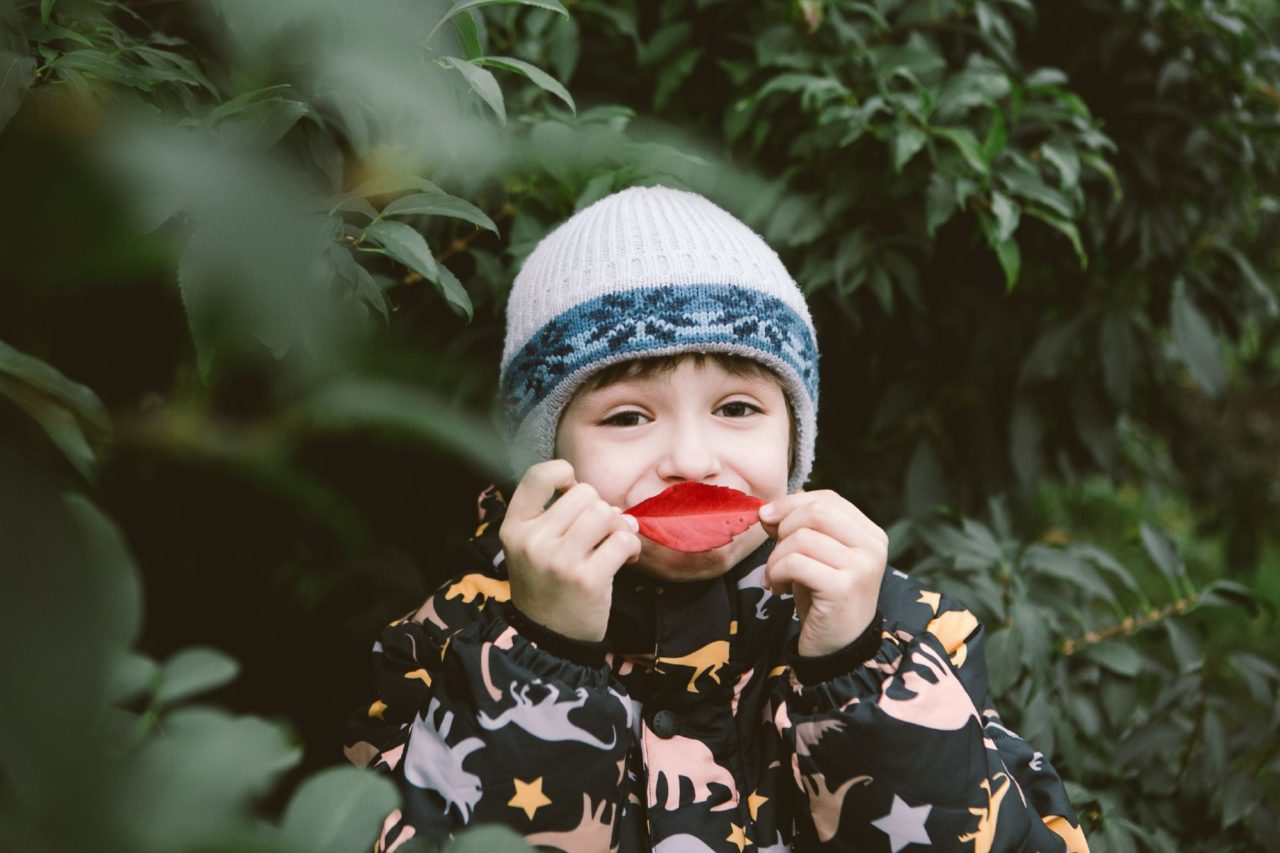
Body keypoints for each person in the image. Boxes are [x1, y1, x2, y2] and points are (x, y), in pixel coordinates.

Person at [344, 186, 1089, 851]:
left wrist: (854, 673)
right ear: (547, 457)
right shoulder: (445, 643)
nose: (693, 461)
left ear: (794, 441)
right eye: (628, 416)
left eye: (736, 408)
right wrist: (543, 656)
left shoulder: (905, 632)